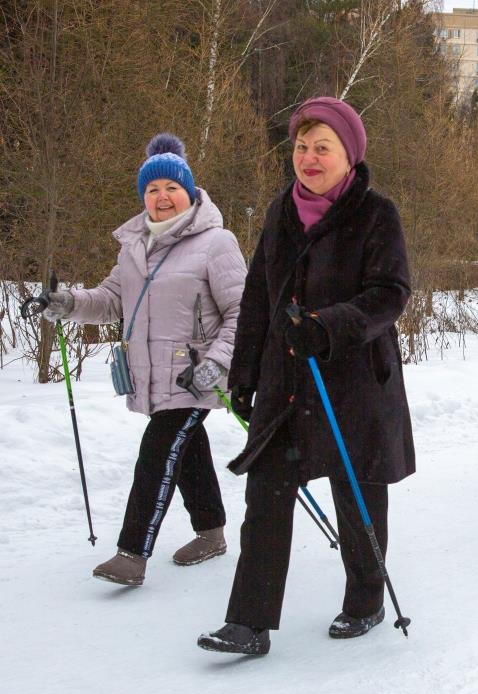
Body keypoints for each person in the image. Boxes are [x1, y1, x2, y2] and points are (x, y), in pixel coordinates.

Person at [197, 97, 415, 655]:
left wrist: (327, 326)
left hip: (355, 380)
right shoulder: (281, 212)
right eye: (301, 146)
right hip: (287, 381)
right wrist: (244, 371)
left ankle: (365, 599)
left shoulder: (376, 213)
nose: (309, 158)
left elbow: (390, 295)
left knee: (357, 493)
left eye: (323, 148)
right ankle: (249, 622)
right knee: (267, 493)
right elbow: (258, 296)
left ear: (349, 155)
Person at [42, 133, 246, 584]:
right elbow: (111, 299)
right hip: (153, 375)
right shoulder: (134, 246)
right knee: (186, 448)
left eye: (172, 188)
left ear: (190, 192)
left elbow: (243, 311)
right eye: (152, 189)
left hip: (197, 376)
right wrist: (68, 303)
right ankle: (211, 532)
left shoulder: (217, 242)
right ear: (144, 197)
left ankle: (132, 553)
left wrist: (217, 363)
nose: (162, 197)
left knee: (158, 450)